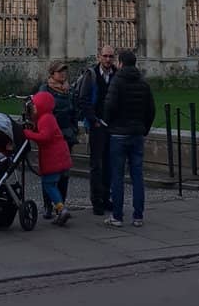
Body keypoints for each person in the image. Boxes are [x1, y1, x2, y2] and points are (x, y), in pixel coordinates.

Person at [103, 49, 155, 228]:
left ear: (121, 64)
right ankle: (138, 216)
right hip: (136, 134)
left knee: (117, 176)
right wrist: (143, 129)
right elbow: (151, 111)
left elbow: (108, 107)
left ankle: (117, 216)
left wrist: (109, 125)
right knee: (137, 176)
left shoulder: (117, 82)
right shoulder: (143, 83)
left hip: (118, 134)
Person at [75, 45, 117, 214]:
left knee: (109, 164)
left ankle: (106, 197)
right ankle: (96, 201)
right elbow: (83, 100)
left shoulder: (117, 75)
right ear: (99, 57)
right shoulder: (91, 75)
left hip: (112, 126)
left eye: (111, 56)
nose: (108, 59)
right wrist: (93, 120)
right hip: (97, 125)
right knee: (96, 165)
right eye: (105, 56)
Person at [22, 91, 73, 224]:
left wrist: (28, 134)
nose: (33, 108)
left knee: (49, 184)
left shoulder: (45, 118)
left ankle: (62, 210)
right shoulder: (47, 117)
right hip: (58, 156)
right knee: (53, 184)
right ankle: (60, 209)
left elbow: (45, 137)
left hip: (53, 157)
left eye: (34, 106)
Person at [37, 60, 77, 218]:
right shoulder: (45, 89)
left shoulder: (69, 90)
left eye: (64, 71)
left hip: (67, 136)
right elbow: (40, 111)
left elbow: (74, 110)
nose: (63, 74)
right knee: (49, 173)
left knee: (64, 174)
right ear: (52, 73)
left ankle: (61, 205)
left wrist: (74, 129)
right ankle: (48, 206)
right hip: (51, 138)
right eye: (59, 71)